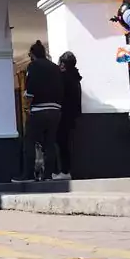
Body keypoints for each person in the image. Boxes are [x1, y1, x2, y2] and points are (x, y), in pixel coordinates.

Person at [13, 40, 63, 183]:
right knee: (50, 143)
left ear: (33, 55)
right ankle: (48, 174)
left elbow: (30, 91)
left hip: (39, 110)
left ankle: (28, 175)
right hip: (55, 110)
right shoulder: (55, 68)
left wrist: (26, 107)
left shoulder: (33, 67)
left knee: (29, 141)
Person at [53, 51, 82, 181]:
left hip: (63, 114)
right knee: (65, 142)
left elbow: (59, 95)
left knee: (61, 142)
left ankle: (65, 170)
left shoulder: (63, 78)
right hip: (72, 115)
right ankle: (66, 170)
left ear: (63, 64)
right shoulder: (75, 78)